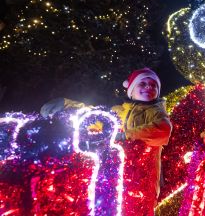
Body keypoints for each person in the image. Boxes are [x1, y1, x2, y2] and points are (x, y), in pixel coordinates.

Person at [41, 67, 172, 215]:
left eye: (153, 85)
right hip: (114, 175)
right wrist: (66, 105)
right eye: (142, 83)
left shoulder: (156, 112)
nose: (149, 86)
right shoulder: (118, 111)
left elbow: (162, 129)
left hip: (142, 180)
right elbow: (96, 116)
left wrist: (125, 136)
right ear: (131, 89)